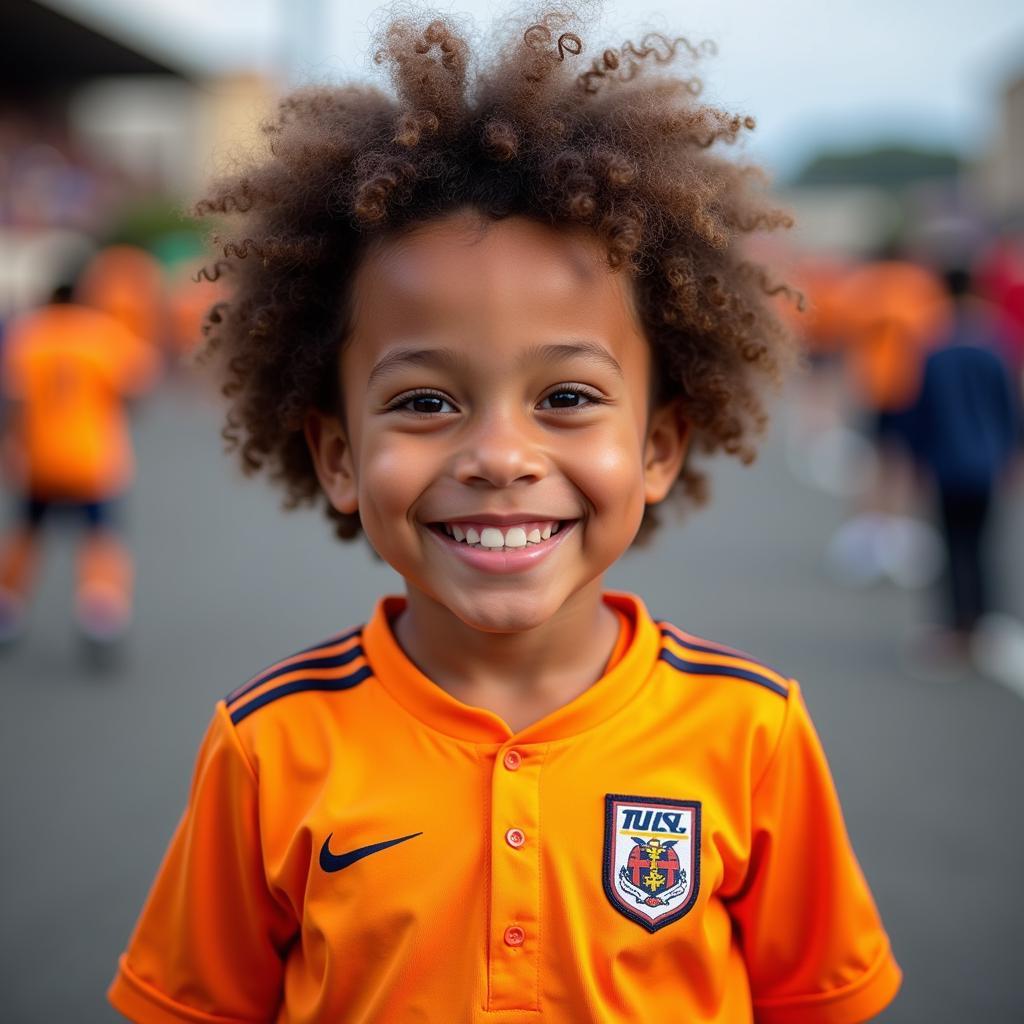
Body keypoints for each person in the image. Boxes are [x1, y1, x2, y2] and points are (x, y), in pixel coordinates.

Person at [108, 10, 901, 1022]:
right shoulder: (266, 744)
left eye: (566, 397)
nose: (497, 458)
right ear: (339, 455)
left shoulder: (753, 730)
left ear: (657, 445)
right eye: (425, 402)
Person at [0, 282, 159, 645]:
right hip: (93, 459)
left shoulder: (28, 334)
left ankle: (8, 605)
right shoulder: (102, 333)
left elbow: (13, 400)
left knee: (26, 530)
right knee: (101, 535)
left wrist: (9, 446)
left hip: (39, 457)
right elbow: (136, 389)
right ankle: (100, 609)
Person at [904, 266, 1020, 669]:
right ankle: (984, 624)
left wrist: (916, 458)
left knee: (953, 547)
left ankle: (958, 627)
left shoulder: (934, 345)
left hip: (946, 461)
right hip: (985, 460)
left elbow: (920, 410)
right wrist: (1011, 453)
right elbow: (1009, 407)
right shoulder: (995, 343)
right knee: (985, 545)